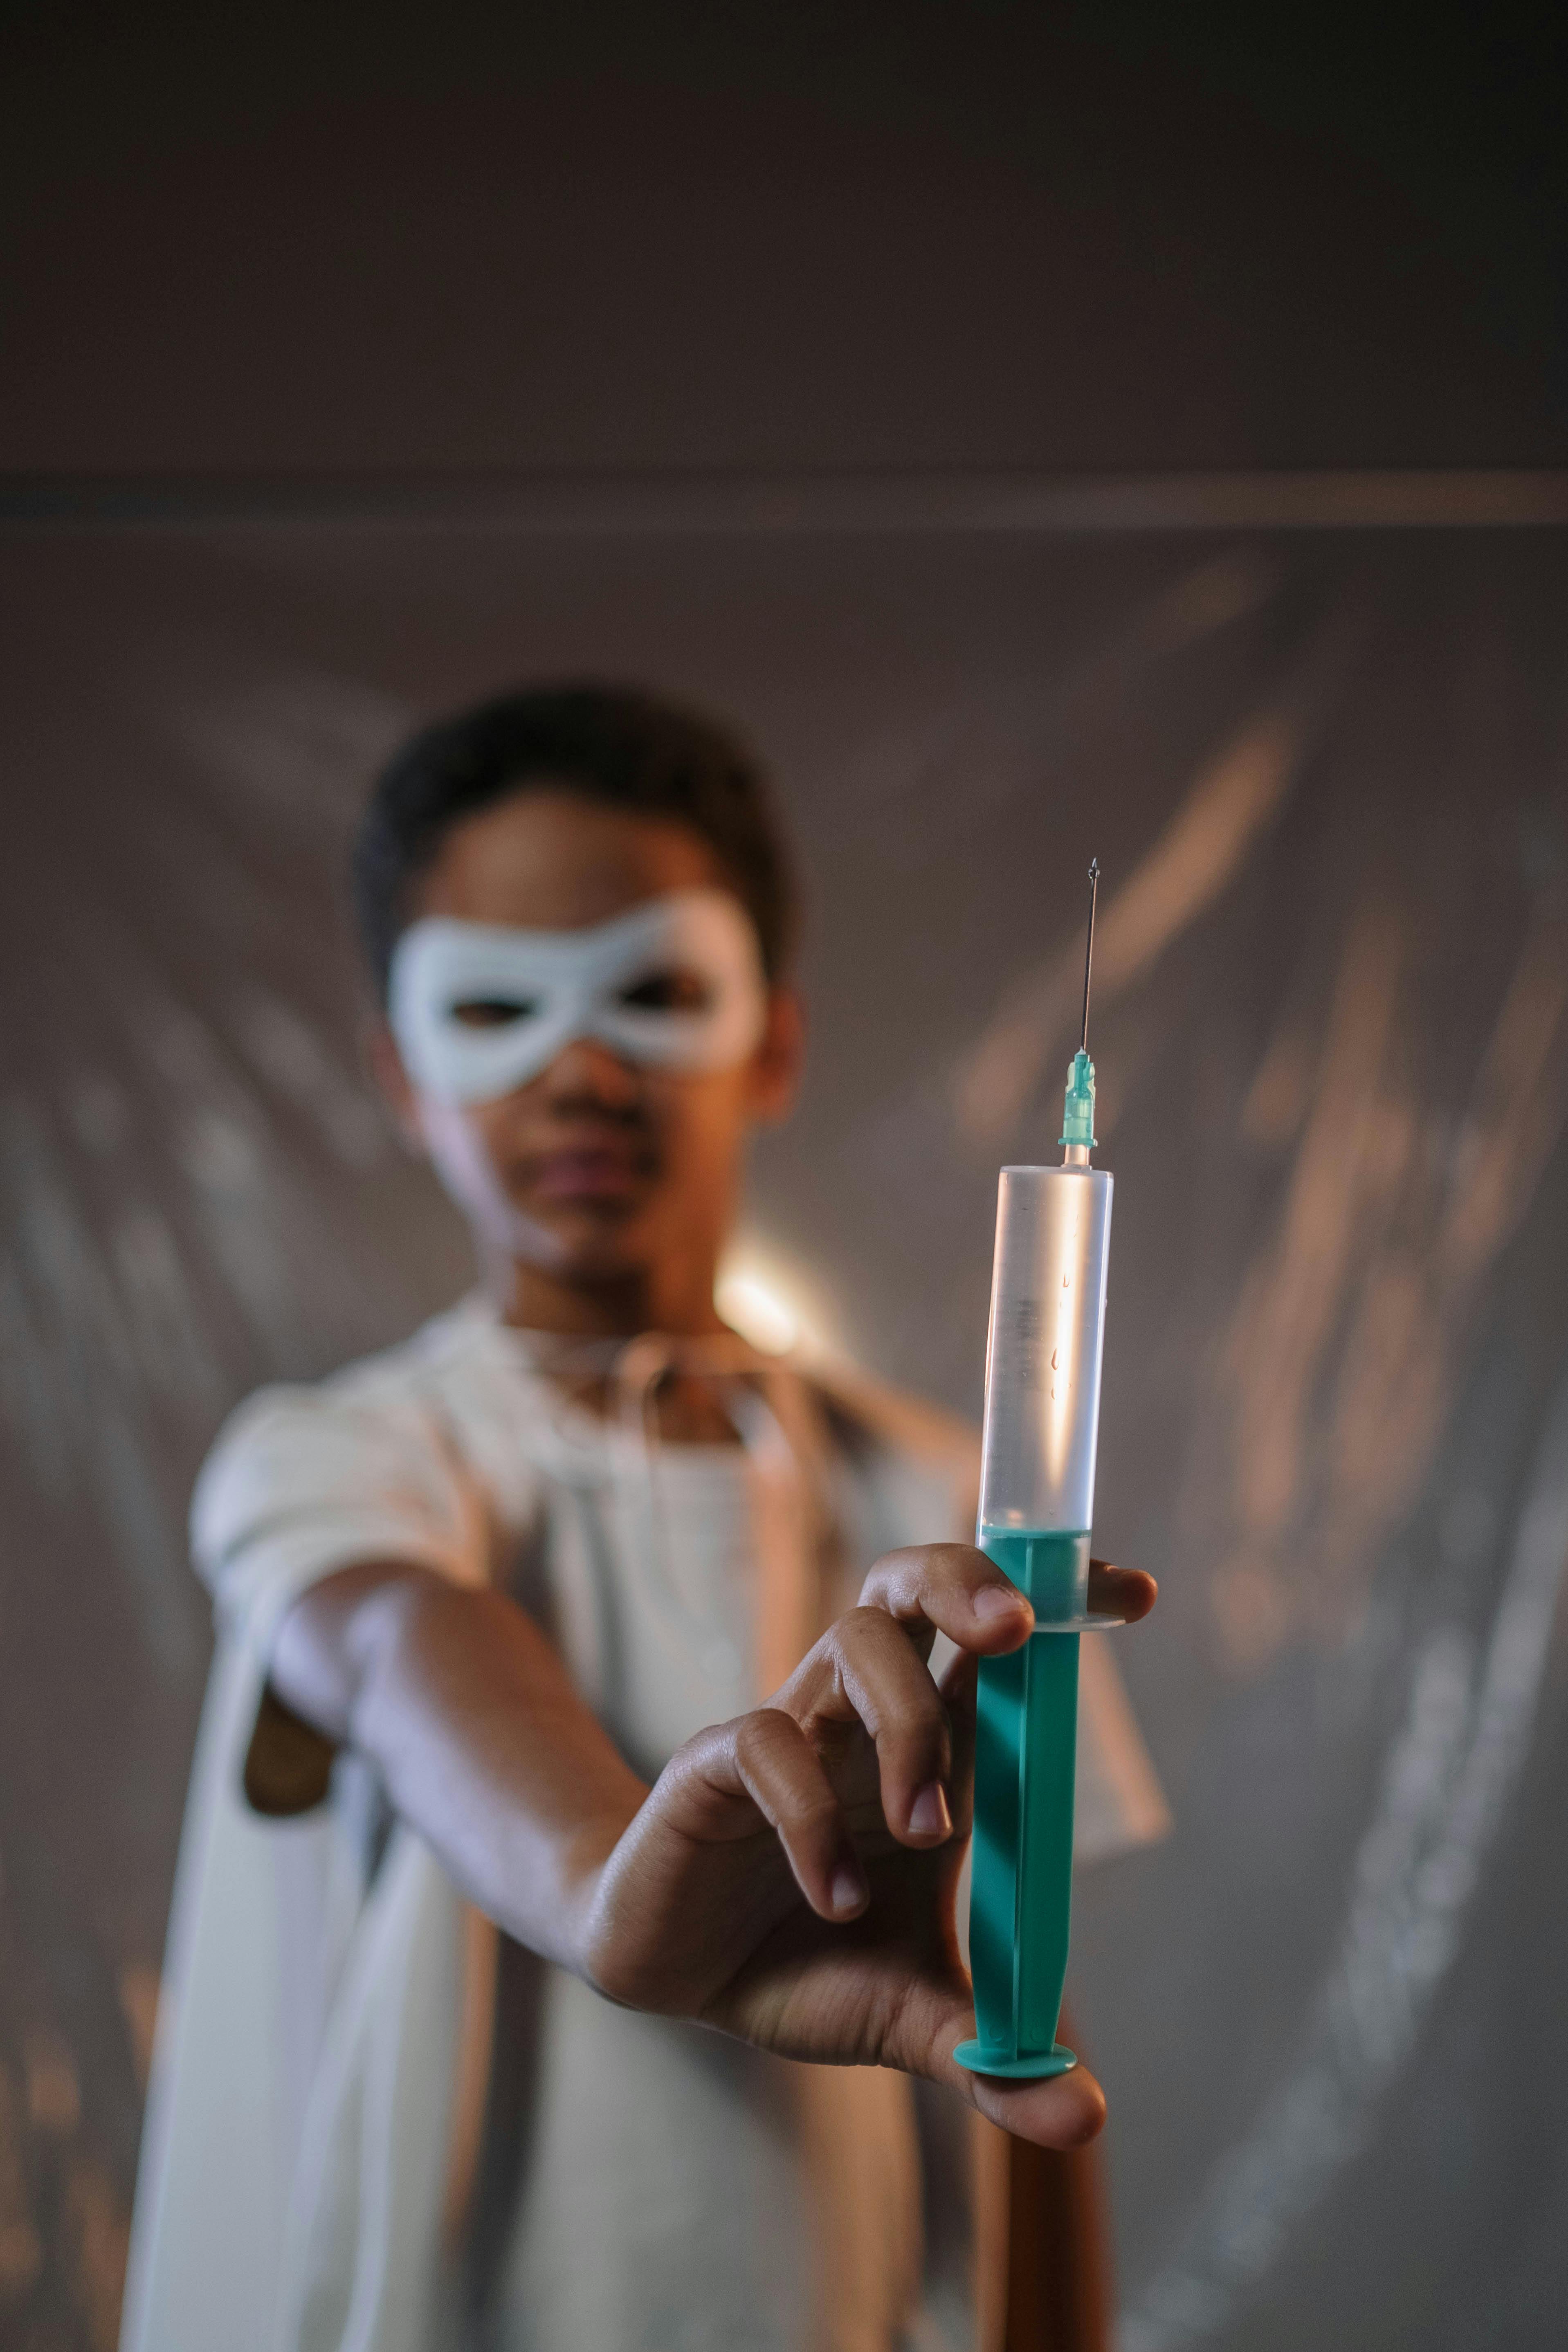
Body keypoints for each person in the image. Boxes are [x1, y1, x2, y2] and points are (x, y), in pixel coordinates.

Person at [121, 685, 1168, 2352]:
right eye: (497, 1010)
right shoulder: (339, 1458)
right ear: (400, 1072)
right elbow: (397, 1639)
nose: (585, 1070)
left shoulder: (934, 1504)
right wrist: (607, 1882)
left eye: (654, 990)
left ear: (771, 1038)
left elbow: (1019, 2046)